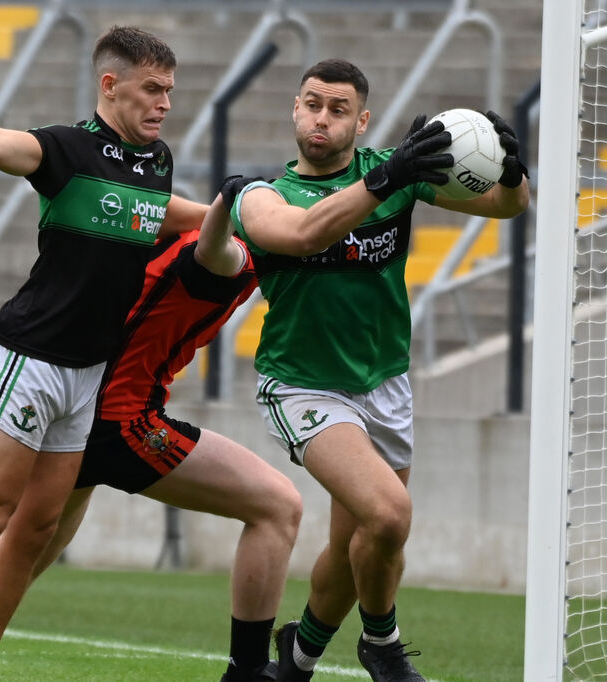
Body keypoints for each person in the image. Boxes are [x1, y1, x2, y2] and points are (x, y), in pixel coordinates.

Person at [0, 26, 208, 682]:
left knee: (35, 528)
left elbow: (158, 213)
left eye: (170, 90)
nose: (165, 102)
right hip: (27, 359)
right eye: (152, 89)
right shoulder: (67, 149)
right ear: (110, 86)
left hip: (86, 373)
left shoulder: (155, 161)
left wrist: (238, 211)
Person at [227, 59, 529, 682]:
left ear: (361, 121)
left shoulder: (394, 176)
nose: (322, 118)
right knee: (389, 513)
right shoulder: (262, 195)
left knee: (357, 544)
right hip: (302, 385)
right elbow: (305, 234)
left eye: (338, 109)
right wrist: (388, 178)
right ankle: (382, 646)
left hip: (384, 382)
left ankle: (296, 661)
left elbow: (506, 207)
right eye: (312, 104)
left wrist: (514, 170)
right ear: (294, 108)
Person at [0, 185, 302, 682]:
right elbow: (218, 249)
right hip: (122, 423)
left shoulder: (148, 239)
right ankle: (249, 670)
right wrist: (228, 204)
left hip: (74, 404)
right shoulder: (226, 253)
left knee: (28, 544)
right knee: (277, 506)